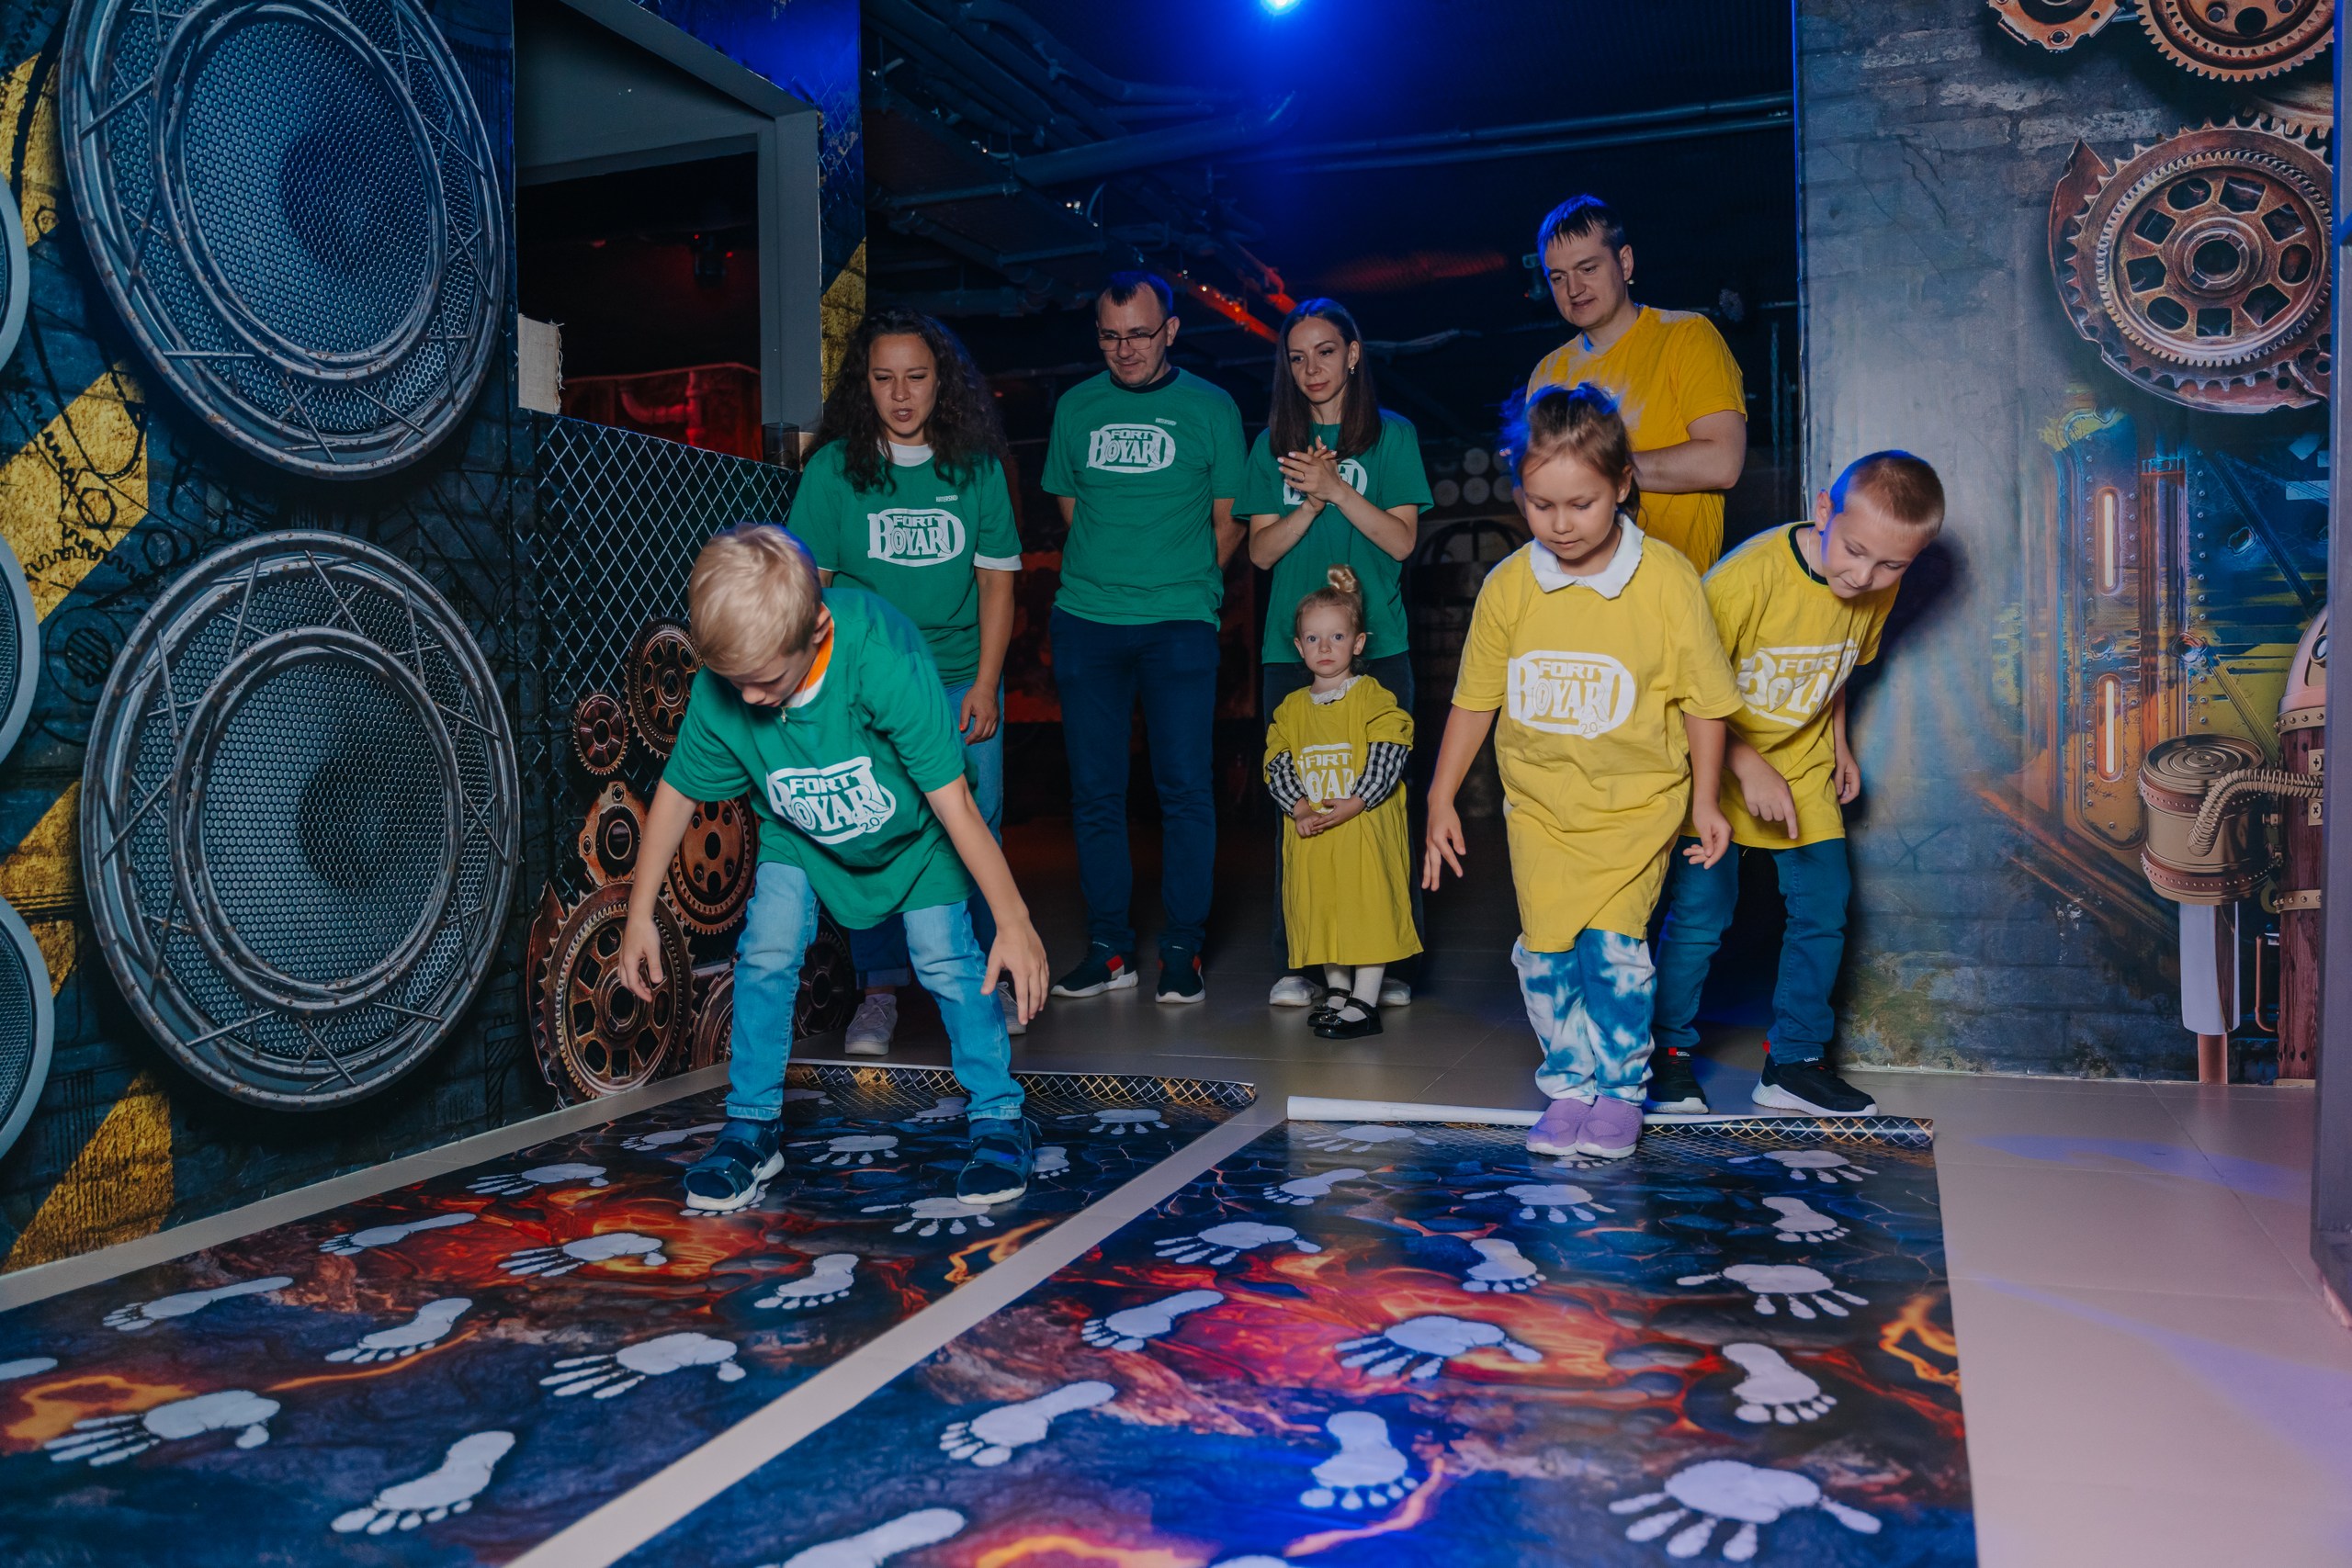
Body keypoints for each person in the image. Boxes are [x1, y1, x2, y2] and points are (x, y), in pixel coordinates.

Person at [618, 525, 1050, 1213]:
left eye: (766, 681)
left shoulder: (881, 659)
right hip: (800, 831)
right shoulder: (732, 684)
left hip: (916, 834)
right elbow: (678, 790)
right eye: (736, 682)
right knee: (765, 954)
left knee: (945, 958)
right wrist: (640, 913)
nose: (750, 700)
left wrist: (1014, 919)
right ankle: (752, 1127)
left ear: (817, 628)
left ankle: (1000, 1115)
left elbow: (957, 805)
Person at [1422, 386, 1741, 1160]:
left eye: (1581, 503)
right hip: (1540, 810)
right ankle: (1569, 1083)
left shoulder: (1666, 582)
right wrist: (1439, 795)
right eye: (1541, 505)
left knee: (1613, 952)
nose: (1561, 524)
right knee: (1547, 957)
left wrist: (1705, 799)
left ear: (1623, 483)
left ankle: (1621, 1090)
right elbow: (1475, 699)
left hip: (1636, 808)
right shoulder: (1509, 586)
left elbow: (1705, 703)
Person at [1648, 452, 1946, 1117]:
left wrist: (1839, 743)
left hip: (1803, 765)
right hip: (1713, 762)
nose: (1863, 576)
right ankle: (1664, 1053)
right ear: (1823, 511)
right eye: (1855, 551)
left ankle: (1794, 1061)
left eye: (1890, 565)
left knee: (1823, 909)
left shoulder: (1876, 583)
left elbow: (1837, 665)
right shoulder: (1743, 579)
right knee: (1702, 915)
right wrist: (1745, 762)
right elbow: (1684, 691)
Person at [788, 308, 1025, 1055]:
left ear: (941, 382)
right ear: (863, 384)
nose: (900, 394)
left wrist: (986, 682)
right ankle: (880, 993)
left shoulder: (977, 468)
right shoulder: (833, 470)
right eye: (883, 378)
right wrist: (825, 693)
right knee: (874, 834)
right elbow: (813, 590)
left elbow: (997, 585)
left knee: (974, 828)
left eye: (916, 377)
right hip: (866, 691)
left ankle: (992, 976)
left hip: (958, 682)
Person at [1041, 271, 1245, 1005]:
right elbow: (1071, 505)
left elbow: (1230, 518)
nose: (1125, 349)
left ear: (1171, 331)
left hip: (1180, 622)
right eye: (1110, 336)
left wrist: (1184, 583)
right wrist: (1116, 573)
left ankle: (1182, 949)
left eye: (1139, 334)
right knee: (1095, 792)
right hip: (1087, 620)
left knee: (1185, 789)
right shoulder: (1076, 406)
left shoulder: (1212, 407)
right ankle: (1109, 950)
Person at [1238, 298, 1430, 1009]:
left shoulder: (1392, 435)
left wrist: (1335, 487)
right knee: (1298, 799)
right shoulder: (1273, 445)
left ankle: (1391, 959)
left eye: (1325, 351)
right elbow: (1260, 552)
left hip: (1377, 649)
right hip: (1292, 653)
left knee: (1380, 804)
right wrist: (1311, 502)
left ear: (1352, 354)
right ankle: (1301, 960)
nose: (1311, 368)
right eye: (1297, 356)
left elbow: (1402, 541)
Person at [1525, 195, 1746, 573]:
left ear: (1624, 262)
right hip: (1579, 593)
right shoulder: (1547, 373)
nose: (1573, 288)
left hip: (1674, 591)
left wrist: (1599, 471)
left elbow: (1723, 462)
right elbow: (1530, 491)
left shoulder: (1686, 337)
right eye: (1558, 277)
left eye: (1587, 268)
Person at [1262, 567, 1419, 1039]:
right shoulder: (1292, 707)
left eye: (1336, 637)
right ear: (1299, 647)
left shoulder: (1372, 697)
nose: (1325, 647)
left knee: (1366, 908)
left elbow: (1390, 748)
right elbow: (1277, 761)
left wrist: (1358, 799)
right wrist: (1299, 807)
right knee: (1324, 909)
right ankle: (1338, 990)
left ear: (1357, 643)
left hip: (1362, 831)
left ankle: (1365, 1001)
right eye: (1313, 638)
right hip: (1315, 833)